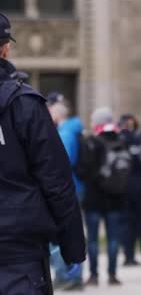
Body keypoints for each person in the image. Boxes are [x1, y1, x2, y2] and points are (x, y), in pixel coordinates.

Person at [0, 12, 86, 293]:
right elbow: (56, 180)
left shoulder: (23, 103)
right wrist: (72, 245)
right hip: (17, 249)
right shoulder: (25, 104)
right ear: (5, 48)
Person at [78, 108, 128, 286]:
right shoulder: (120, 140)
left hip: (94, 199)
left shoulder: (91, 142)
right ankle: (113, 275)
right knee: (113, 239)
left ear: (97, 122)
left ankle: (93, 275)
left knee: (92, 240)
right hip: (116, 199)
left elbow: (83, 170)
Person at [47, 95, 86, 290]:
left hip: (67, 188)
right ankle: (72, 276)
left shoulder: (65, 132)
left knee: (63, 233)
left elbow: (60, 162)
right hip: (75, 186)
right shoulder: (72, 129)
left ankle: (69, 276)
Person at [118, 113, 141, 266]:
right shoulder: (139, 140)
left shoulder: (119, 141)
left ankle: (129, 256)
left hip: (124, 187)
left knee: (127, 224)